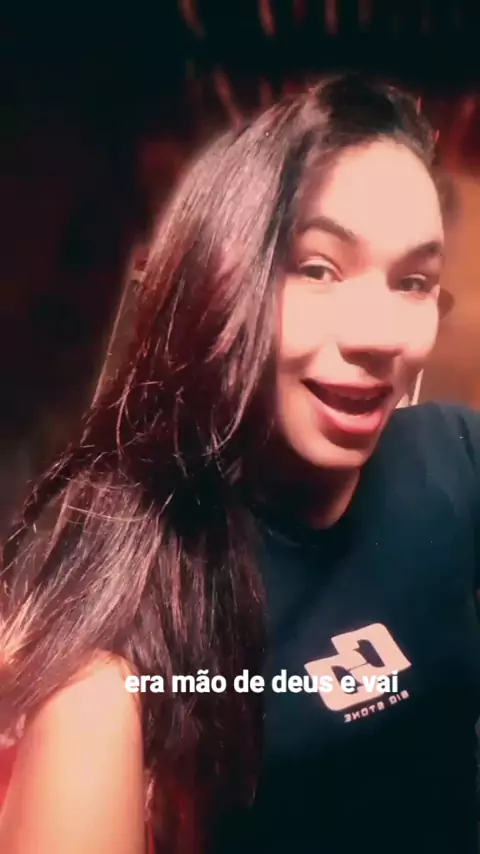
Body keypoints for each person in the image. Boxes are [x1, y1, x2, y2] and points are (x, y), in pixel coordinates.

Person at [0, 74, 479, 854]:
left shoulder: (456, 455)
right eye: (319, 268)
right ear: (225, 281)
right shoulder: (133, 604)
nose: (378, 336)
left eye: (414, 282)